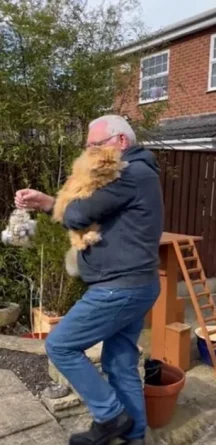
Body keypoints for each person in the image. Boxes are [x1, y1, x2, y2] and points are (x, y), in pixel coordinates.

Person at [15, 115, 163, 445]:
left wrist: (54, 204)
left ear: (120, 142)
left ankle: (110, 416)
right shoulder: (138, 172)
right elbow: (87, 211)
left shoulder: (128, 173)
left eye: (95, 145)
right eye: (87, 146)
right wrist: (47, 203)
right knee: (120, 363)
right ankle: (133, 437)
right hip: (136, 284)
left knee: (60, 344)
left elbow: (81, 213)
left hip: (119, 287)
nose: (89, 152)